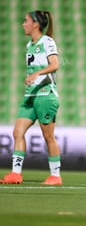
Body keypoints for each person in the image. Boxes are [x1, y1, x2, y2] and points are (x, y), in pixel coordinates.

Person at [0, 11, 62, 185]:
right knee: (17, 132)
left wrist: (37, 73)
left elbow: (55, 65)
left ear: (35, 24)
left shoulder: (47, 42)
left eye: (26, 21)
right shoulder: (30, 45)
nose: (23, 24)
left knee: (48, 136)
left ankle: (55, 176)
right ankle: (15, 174)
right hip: (30, 97)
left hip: (45, 96)